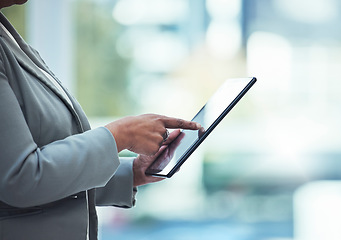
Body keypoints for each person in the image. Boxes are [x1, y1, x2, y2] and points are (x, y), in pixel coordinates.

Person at [0, 0, 201, 239]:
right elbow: (20, 179)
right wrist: (121, 134)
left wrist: (131, 173)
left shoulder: (8, 37)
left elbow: (45, 171)